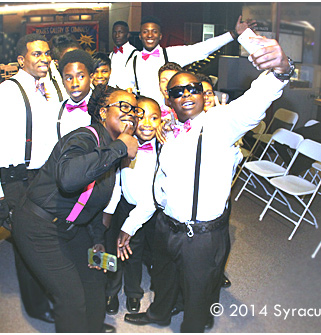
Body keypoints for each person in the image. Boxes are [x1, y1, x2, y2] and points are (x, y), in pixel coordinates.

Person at [124, 33, 294, 332]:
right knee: (163, 277)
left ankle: (193, 326)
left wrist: (280, 71)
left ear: (204, 94)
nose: (186, 94)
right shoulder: (170, 128)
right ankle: (160, 314)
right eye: (178, 91)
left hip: (201, 235)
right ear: (169, 99)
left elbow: (255, 101)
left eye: (193, 88)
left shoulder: (221, 123)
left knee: (198, 291)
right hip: (168, 224)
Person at [11, 84, 140, 333]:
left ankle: (91, 328)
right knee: (71, 298)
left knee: (95, 278)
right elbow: (69, 179)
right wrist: (121, 146)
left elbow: (90, 203)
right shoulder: (82, 137)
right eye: (123, 106)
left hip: (72, 227)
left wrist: (97, 240)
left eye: (134, 110)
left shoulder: (109, 152)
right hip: (38, 226)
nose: (131, 113)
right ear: (103, 112)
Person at [0, 33, 59, 324]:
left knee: (48, 236)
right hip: (17, 179)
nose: (44, 59)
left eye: (47, 53)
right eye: (36, 54)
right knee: (28, 242)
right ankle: (36, 305)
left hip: (47, 175)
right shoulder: (2, 94)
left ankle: (50, 289)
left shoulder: (52, 85)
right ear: (21, 60)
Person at [105, 96, 161, 315]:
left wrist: (129, 225)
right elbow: (115, 181)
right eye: (142, 116)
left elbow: (153, 197)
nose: (147, 122)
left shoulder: (163, 148)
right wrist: (109, 212)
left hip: (147, 211)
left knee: (134, 252)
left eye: (154, 117)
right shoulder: (124, 143)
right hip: (122, 205)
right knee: (112, 250)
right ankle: (110, 290)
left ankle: (133, 292)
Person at [122, 15, 254, 105]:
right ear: (140, 35)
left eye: (154, 31)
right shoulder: (132, 60)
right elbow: (125, 89)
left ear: (160, 35)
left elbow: (202, 49)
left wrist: (233, 34)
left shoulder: (171, 53)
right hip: (145, 117)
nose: (150, 35)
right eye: (145, 31)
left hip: (173, 114)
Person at [57, 49, 95, 139]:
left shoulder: (103, 107)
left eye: (81, 77)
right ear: (62, 81)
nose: (75, 84)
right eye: (69, 78)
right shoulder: (56, 111)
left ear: (91, 77)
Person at [43, 34, 80, 103]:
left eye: (78, 56)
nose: (75, 62)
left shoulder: (85, 74)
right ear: (56, 62)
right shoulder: (44, 81)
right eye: (70, 59)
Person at [109, 21, 137, 88]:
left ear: (128, 35)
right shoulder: (111, 54)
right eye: (114, 32)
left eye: (120, 32)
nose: (117, 35)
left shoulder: (135, 53)